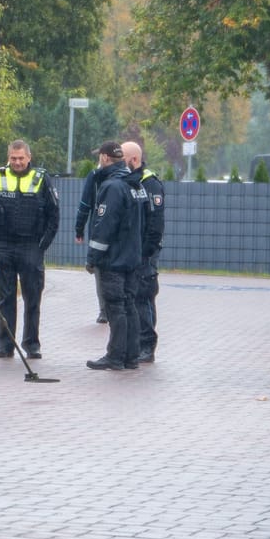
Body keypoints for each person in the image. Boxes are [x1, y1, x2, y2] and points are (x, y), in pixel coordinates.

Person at [0, 139, 60, 360]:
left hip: (31, 246)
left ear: (29, 157)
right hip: (3, 245)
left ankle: (31, 344)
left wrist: (43, 245)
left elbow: (54, 215)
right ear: (9, 158)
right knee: (5, 298)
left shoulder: (41, 178)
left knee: (32, 297)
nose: (17, 162)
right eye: (13, 158)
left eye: (21, 158)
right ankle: (5, 344)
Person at [83, 144, 145, 370]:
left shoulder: (112, 187)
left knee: (115, 307)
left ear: (104, 158)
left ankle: (116, 356)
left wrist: (92, 257)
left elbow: (104, 227)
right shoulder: (134, 184)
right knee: (129, 305)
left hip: (114, 260)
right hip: (132, 258)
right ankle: (131, 356)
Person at [124, 140, 166, 363]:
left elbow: (156, 223)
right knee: (132, 296)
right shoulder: (128, 181)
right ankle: (135, 343)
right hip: (131, 250)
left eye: (123, 159)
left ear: (133, 160)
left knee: (144, 295)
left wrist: (147, 252)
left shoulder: (150, 184)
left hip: (145, 252)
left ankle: (147, 345)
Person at [74, 139, 124, 324]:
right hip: (123, 236)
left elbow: (85, 205)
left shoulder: (95, 177)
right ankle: (116, 307)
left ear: (104, 157)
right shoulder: (128, 177)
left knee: (100, 271)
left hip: (99, 229)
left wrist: (79, 230)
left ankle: (104, 310)